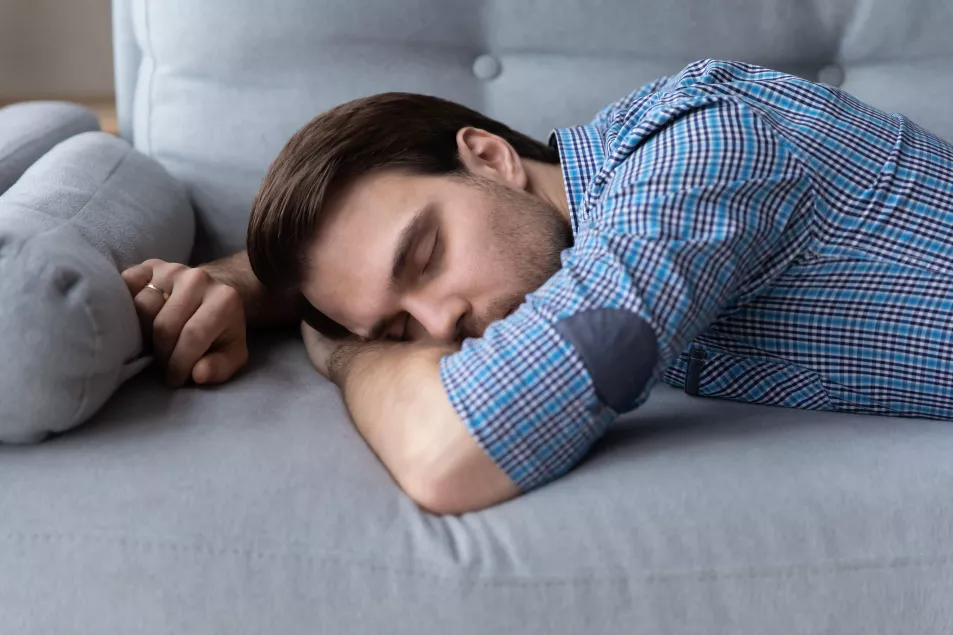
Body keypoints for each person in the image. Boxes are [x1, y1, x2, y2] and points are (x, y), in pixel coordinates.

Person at [120, 59, 953, 514]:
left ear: (487, 157)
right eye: (398, 329)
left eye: (425, 254)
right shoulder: (585, 226)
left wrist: (346, 354)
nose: (444, 321)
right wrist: (240, 286)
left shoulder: (700, 152)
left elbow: (452, 456)